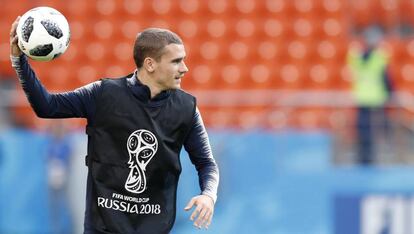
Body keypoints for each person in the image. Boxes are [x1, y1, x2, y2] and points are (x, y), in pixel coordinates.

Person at [10, 16, 219, 234]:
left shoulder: (187, 109)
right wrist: (18, 61)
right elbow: (48, 106)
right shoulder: (102, 94)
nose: (184, 68)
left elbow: (207, 163)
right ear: (150, 64)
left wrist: (208, 195)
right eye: (176, 61)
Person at [347, 26, 393, 165]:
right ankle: (368, 157)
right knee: (371, 129)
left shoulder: (356, 55)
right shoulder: (379, 56)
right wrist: (391, 93)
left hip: (364, 98)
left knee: (366, 129)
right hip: (375, 99)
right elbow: (386, 78)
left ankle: (366, 157)